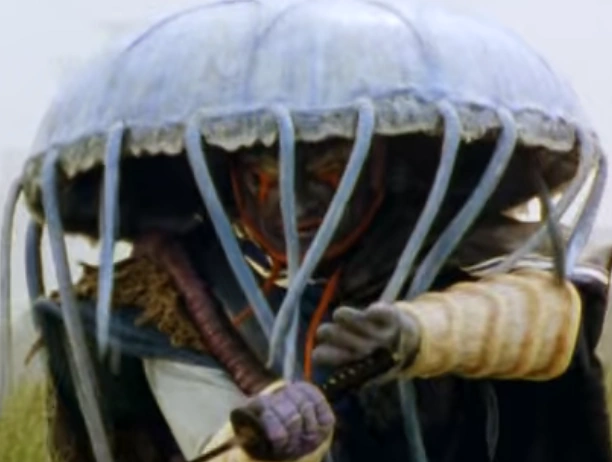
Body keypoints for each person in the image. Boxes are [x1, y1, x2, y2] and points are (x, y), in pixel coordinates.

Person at [32, 135, 612, 462]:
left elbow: (549, 316)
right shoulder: (173, 294)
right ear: (230, 180)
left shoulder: (453, 244)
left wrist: (423, 334)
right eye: (262, 175)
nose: (296, 200)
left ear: (377, 166)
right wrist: (271, 446)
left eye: (329, 169)